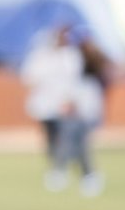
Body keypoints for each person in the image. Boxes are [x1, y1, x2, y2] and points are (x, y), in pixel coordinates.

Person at [51, 35, 111, 197]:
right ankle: (74, 173)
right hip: (78, 111)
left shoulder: (91, 70)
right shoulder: (76, 66)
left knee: (80, 146)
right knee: (73, 144)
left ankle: (87, 175)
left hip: (86, 112)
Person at [22, 27, 80, 189]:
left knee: (64, 138)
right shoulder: (40, 56)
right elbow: (29, 77)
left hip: (64, 105)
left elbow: (74, 81)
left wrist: (70, 100)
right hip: (44, 105)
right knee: (50, 139)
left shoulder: (70, 56)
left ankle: (61, 169)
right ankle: (55, 167)